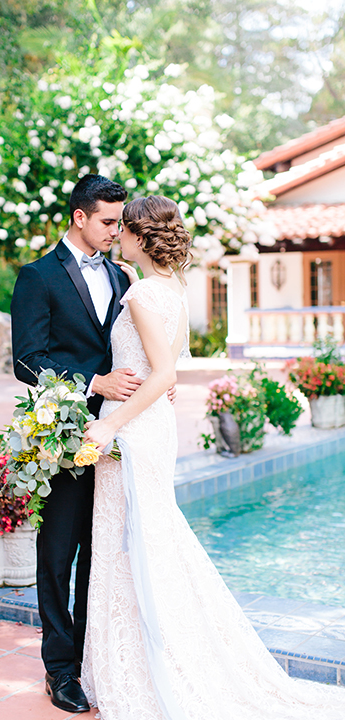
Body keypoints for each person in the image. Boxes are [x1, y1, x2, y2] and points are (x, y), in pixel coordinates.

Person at [82, 195, 345, 720]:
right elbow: (163, 370)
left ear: (139, 236)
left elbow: (164, 374)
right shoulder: (171, 291)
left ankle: (149, 665)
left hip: (133, 427)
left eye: (123, 230)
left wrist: (109, 422)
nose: (116, 238)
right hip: (149, 422)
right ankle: (140, 655)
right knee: (140, 540)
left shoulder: (140, 295)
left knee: (129, 543)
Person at [11, 174, 139, 714]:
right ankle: (59, 670)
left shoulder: (121, 275)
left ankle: (89, 656)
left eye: (120, 220)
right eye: (108, 221)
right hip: (63, 435)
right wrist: (94, 385)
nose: (116, 230)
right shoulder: (37, 276)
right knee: (58, 552)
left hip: (115, 435)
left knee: (101, 551)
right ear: (79, 217)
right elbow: (25, 361)